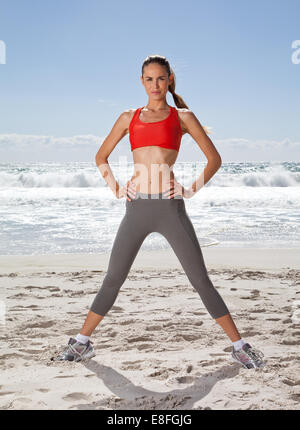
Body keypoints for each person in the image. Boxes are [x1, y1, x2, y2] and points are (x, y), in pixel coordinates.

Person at [56, 55, 265, 369]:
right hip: (137, 207)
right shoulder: (129, 117)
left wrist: (190, 189)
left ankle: (240, 346)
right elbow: (101, 156)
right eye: (149, 79)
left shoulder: (183, 117)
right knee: (113, 278)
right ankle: (81, 343)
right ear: (142, 82)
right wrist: (115, 186)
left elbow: (214, 160)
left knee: (200, 280)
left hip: (170, 208)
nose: (155, 85)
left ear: (169, 80)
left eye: (160, 79)